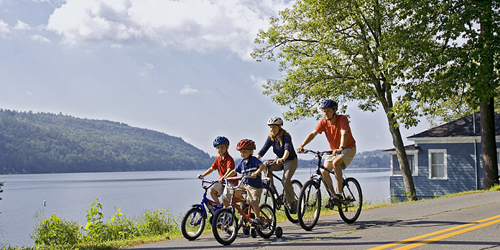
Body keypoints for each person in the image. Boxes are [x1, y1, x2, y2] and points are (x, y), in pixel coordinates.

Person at [296, 99, 356, 209]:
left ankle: (339, 192)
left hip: (348, 148)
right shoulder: (323, 122)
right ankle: (333, 196)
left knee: (336, 162)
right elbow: (313, 134)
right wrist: (302, 145)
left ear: (334, 110)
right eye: (324, 111)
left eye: (328, 111)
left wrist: (341, 147)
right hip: (334, 151)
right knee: (324, 171)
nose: (325, 113)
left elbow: (344, 133)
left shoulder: (342, 119)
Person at [256, 116, 298, 214]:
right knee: (265, 164)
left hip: (290, 160)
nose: (272, 129)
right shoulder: (271, 137)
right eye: (270, 127)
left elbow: (287, 149)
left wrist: (283, 158)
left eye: (274, 127)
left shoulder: (286, 136)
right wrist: (254, 159)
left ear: (279, 127)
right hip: (280, 160)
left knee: (285, 180)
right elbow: (263, 150)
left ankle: (292, 202)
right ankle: (271, 187)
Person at [226, 139, 266, 226]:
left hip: (255, 185)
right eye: (241, 152)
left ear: (251, 151)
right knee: (233, 192)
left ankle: (257, 218)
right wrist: (226, 177)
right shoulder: (242, 163)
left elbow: (262, 166)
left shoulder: (253, 160)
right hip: (244, 185)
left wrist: (256, 173)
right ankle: (245, 204)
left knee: (253, 200)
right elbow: (234, 171)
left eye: (244, 152)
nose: (242, 154)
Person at [197, 136, 236, 208]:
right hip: (222, 181)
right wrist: (203, 175)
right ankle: (220, 207)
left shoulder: (229, 159)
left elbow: (229, 170)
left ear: (227, 147)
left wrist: (224, 177)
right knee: (211, 191)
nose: (220, 149)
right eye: (218, 148)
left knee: (225, 198)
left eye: (222, 147)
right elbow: (212, 168)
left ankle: (227, 214)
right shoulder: (218, 159)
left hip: (230, 182)